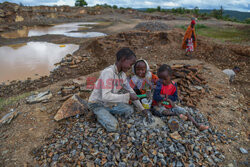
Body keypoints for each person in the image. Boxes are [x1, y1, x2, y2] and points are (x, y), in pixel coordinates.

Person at [88, 47, 147, 132]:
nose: (130, 67)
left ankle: (105, 113)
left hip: (109, 104)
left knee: (130, 110)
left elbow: (131, 91)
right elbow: (105, 96)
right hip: (97, 103)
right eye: (130, 64)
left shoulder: (122, 75)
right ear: (123, 59)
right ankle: (96, 113)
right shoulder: (108, 73)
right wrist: (128, 97)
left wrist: (142, 109)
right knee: (113, 127)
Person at [152, 64, 209, 131]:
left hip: (169, 104)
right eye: (160, 78)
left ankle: (197, 124)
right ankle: (178, 115)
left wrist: (167, 98)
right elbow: (156, 97)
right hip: (159, 105)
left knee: (183, 110)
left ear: (170, 76)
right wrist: (165, 98)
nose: (162, 81)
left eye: (164, 79)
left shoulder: (173, 84)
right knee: (163, 112)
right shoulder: (159, 84)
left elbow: (175, 97)